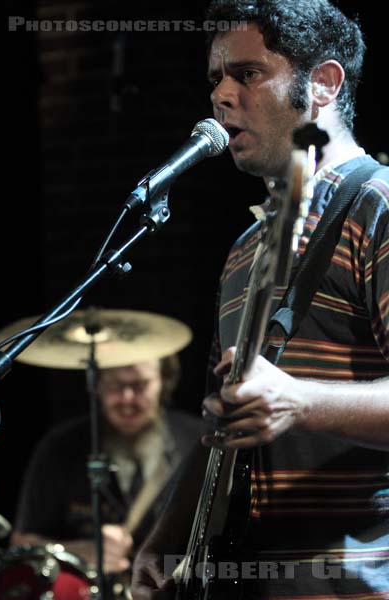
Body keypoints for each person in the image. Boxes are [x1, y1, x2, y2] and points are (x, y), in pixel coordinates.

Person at [130, 1, 389, 598]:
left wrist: (299, 400)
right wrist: (168, 534)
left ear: (322, 84)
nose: (220, 95)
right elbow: (223, 417)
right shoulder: (247, 248)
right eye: (215, 78)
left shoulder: (375, 207)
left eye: (246, 74)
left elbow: (285, 403)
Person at [9, 354, 205, 591]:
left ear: (163, 382)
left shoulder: (200, 441)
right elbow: (21, 545)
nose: (127, 398)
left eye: (140, 385)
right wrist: (85, 551)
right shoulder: (59, 447)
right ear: (97, 385)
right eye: (114, 385)